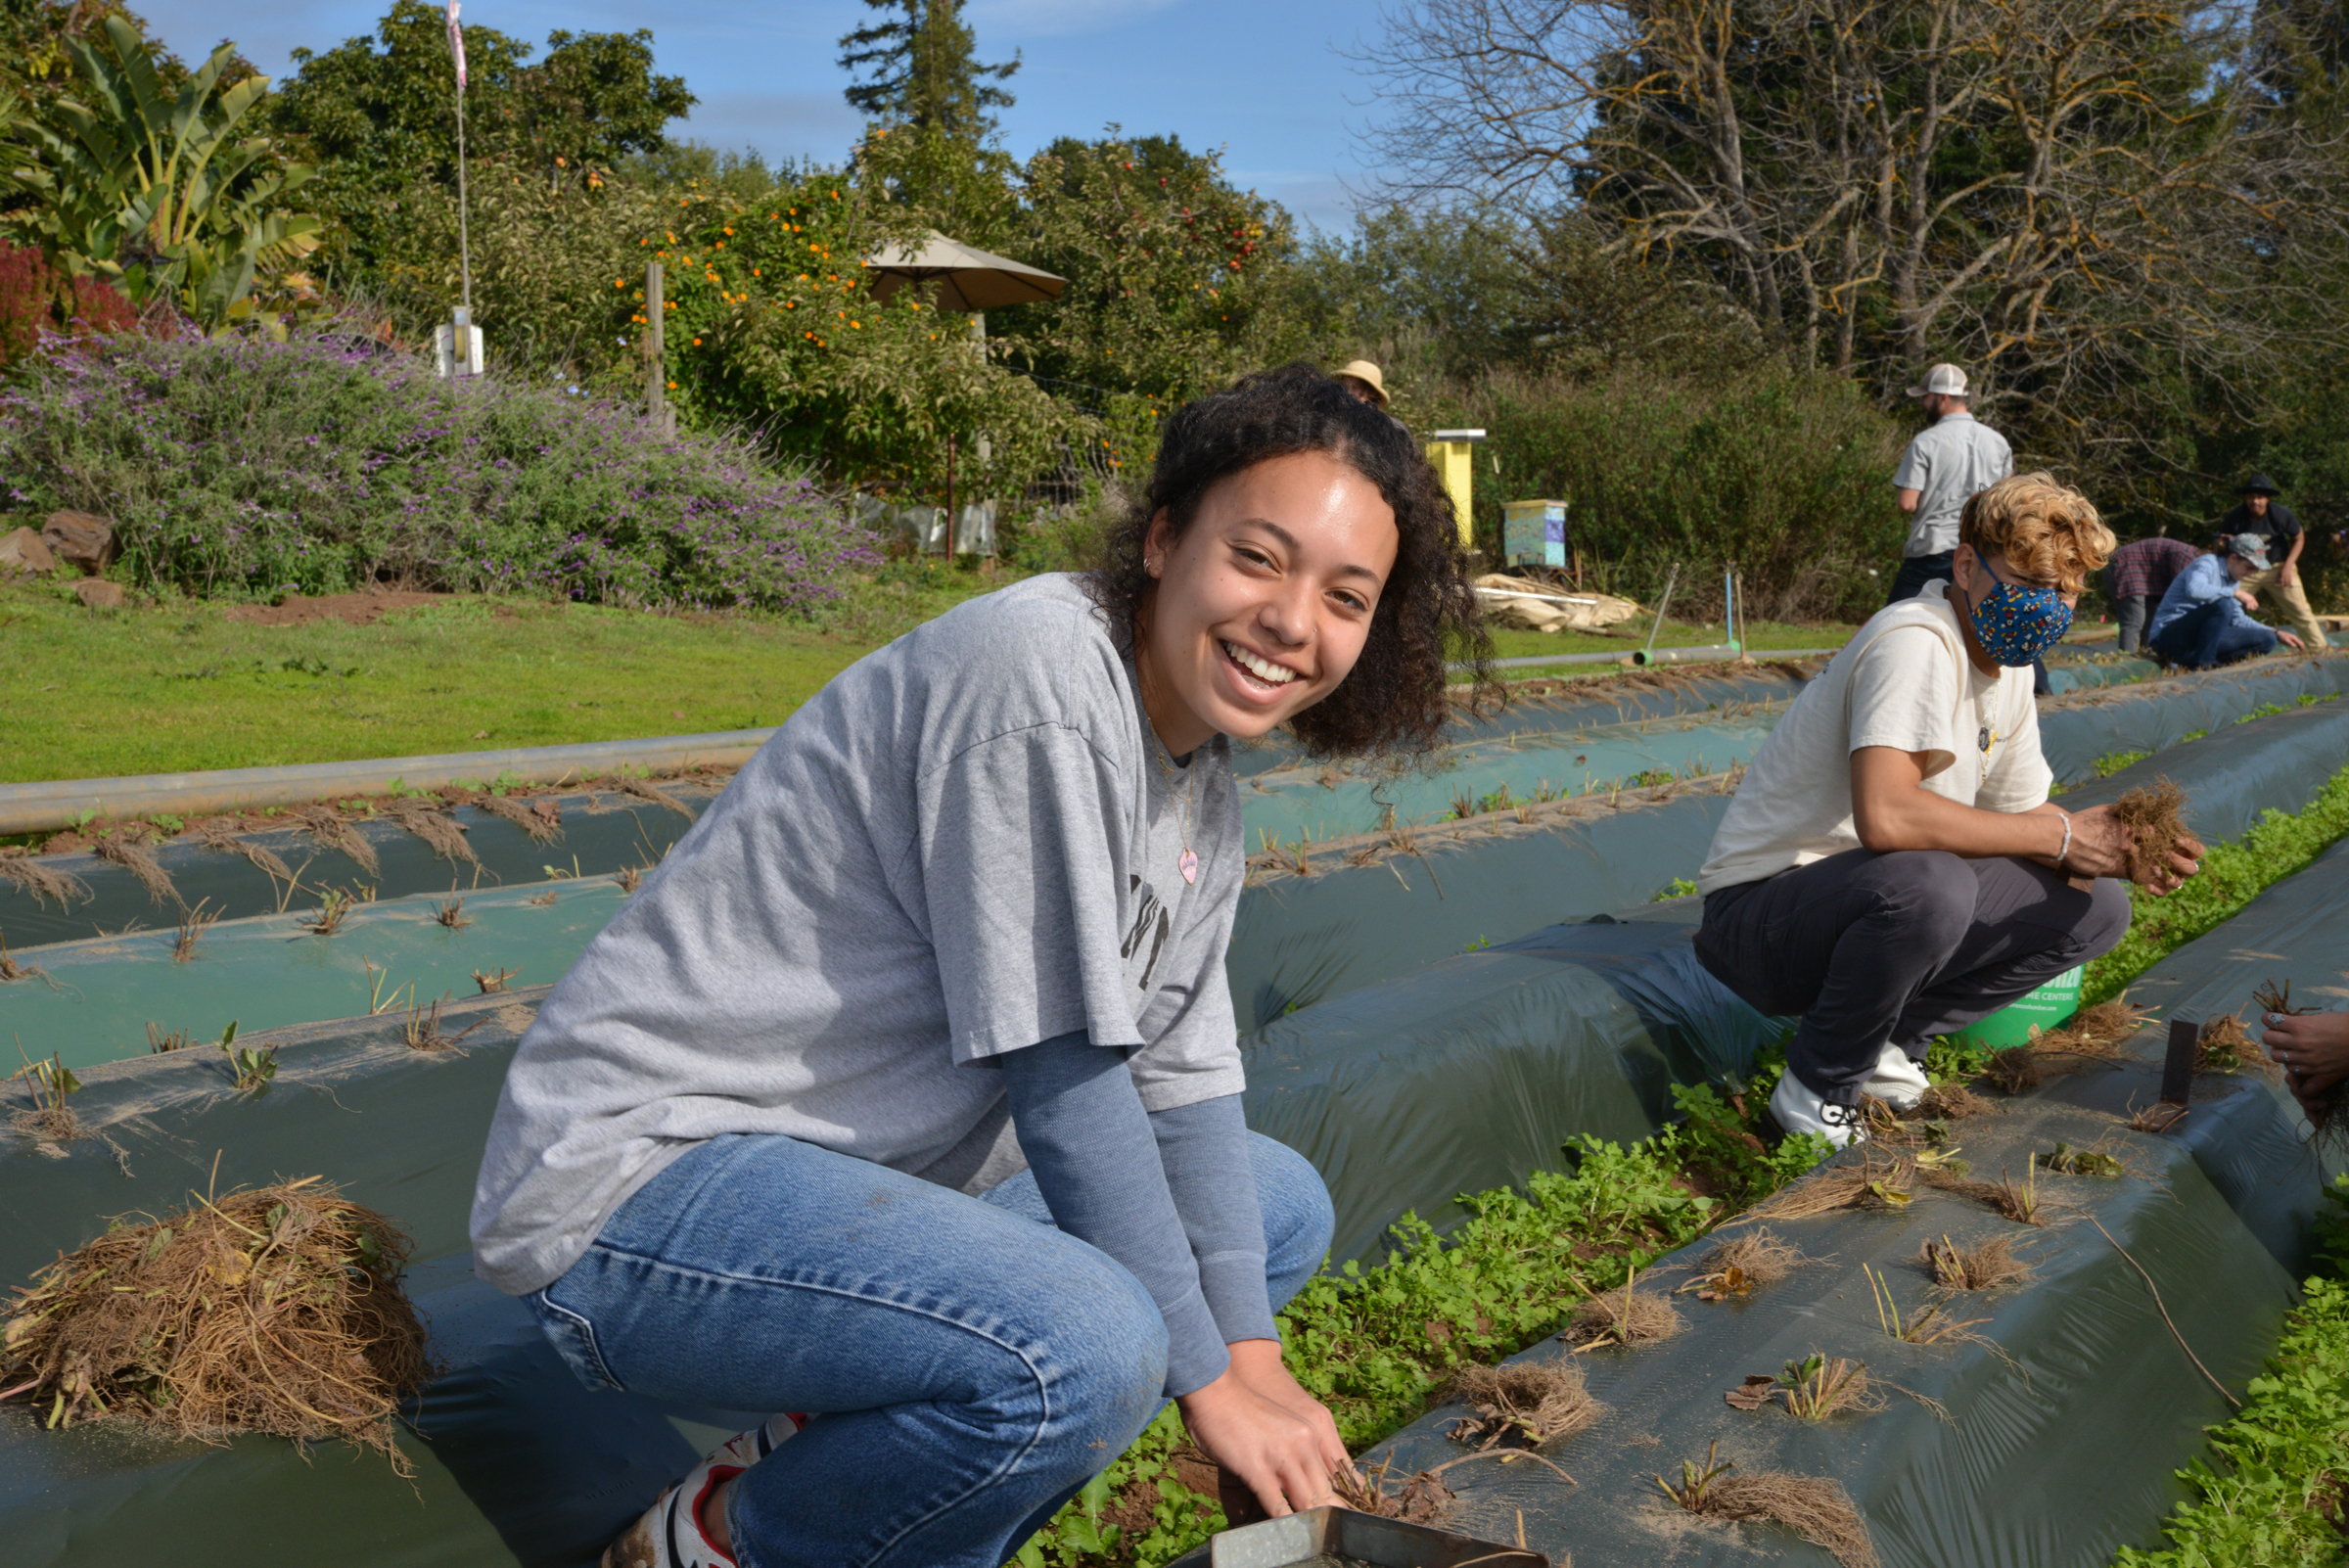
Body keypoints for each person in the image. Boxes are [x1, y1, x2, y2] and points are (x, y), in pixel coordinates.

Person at [468, 366, 1497, 1568]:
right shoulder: (1041, 678)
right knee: (1098, 1344)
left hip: (858, 1177)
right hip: (643, 1196)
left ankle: (832, 1461)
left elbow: (1184, 1087)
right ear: (1165, 539)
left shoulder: (1200, 790)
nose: (1292, 622)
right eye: (1258, 559)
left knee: (1273, 1209)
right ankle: (725, 1543)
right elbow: (1068, 1084)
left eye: (1346, 596)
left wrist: (1254, 1363)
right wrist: (1208, 1386)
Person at [1692, 473, 2202, 1147]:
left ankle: (1888, 1046)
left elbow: (2022, 813)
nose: (2048, 607)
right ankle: (1818, 1087)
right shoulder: (1916, 640)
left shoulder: (2008, 666)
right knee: (1934, 881)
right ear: (1966, 564)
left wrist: (2105, 844)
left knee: (2096, 906)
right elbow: (1888, 819)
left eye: (2066, 593)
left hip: (1865, 902)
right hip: (1763, 921)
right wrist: (2058, 835)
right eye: (2030, 586)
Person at [1888, 364, 2040, 693]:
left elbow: (1907, 503)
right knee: (2003, 619)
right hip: (1984, 551)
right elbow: (2010, 498)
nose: (1921, 403)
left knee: (1892, 623)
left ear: (1942, 397)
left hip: (1934, 545)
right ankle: (2038, 686)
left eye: (1924, 396)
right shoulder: (1997, 441)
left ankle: (1888, 680)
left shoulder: (1926, 441)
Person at [2146, 534, 2307, 670]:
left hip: (2198, 642)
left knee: (2267, 640)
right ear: (2233, 558)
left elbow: (2238, 620)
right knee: (2223, 604)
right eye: (2249, 567)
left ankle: (2209, 666)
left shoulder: (2233, 581)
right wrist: (2235, 593)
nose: (2250, 575)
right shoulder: (2207, 563)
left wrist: (2276, 632)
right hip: (2169, 638)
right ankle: (2203, 666)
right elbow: (2194, 590)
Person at [2219, 475, 2328, 653]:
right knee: (2225, 605)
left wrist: (2287, 567)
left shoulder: (2281, 514)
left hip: (2278, 567)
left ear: (2268, 498)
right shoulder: (2235, 517)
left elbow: (2299, 538)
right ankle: (2222, 649)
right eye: (2251, 497)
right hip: (2247, 570)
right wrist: (2224, 543)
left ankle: (2319, 650)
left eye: (2260, 497)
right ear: (2245, 498)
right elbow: (2223, 542)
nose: (2255, 501)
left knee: (2300, 610)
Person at [2100, 534, 2200, 655]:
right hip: (2125, 566)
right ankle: (2126, 662)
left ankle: (2146, 659)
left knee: (2152, 621)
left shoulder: (2192, 558)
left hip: (2142, 575)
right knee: (2134, 621)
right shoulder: (2188, 557)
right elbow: (2181, 592)